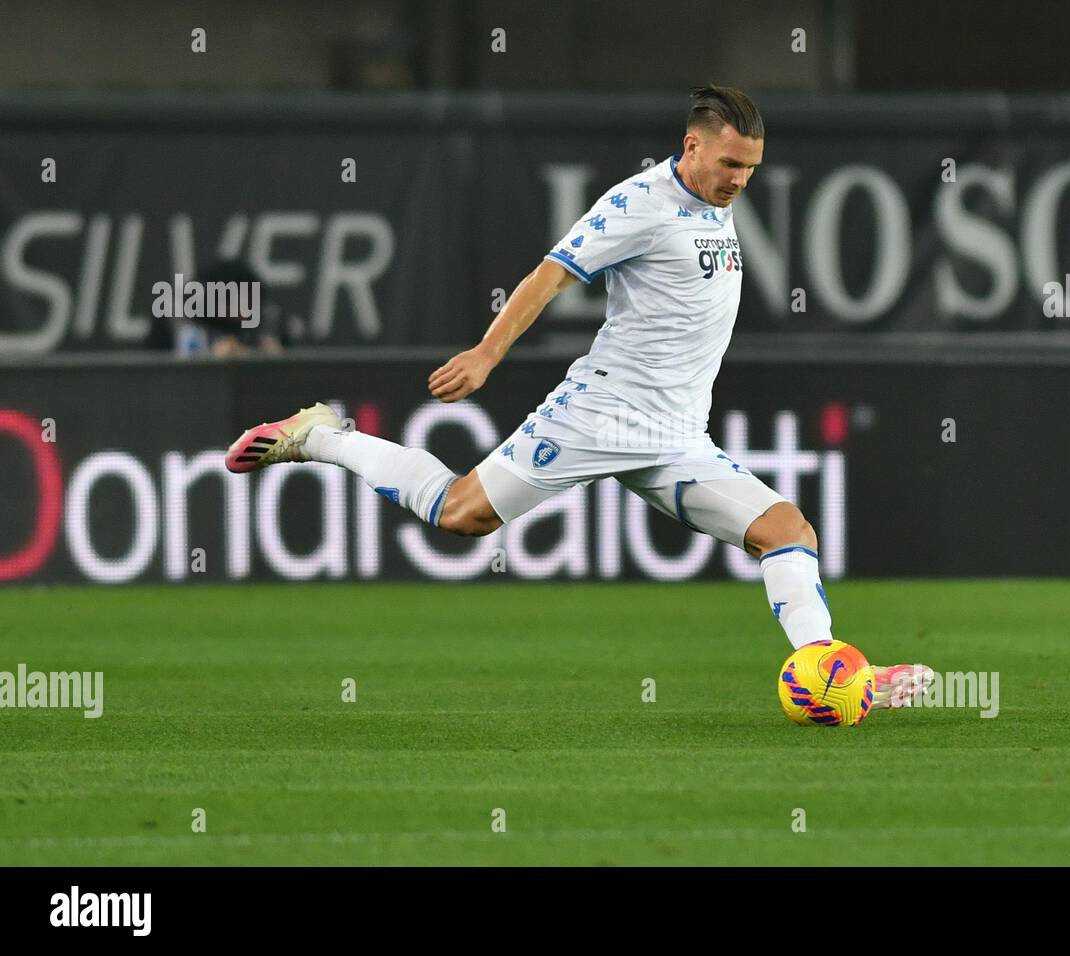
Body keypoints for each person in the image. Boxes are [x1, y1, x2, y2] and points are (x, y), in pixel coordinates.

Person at [225, 85, 932, 709]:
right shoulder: (639, 203)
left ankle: (837, 674)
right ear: (692, 146)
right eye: (729, 164)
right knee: (461, 513)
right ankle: (319, 434)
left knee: (788, 531)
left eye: (750, 167)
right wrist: (486, 354)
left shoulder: (713, 202)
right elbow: (550, 275)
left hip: (680, 436)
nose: (740, 180)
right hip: (603, 414)